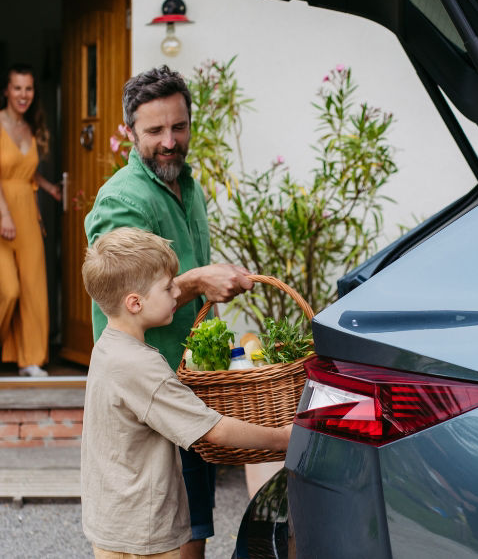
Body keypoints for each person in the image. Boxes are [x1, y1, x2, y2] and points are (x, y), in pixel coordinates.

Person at [84, 65, 254, 559]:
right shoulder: (122, 199)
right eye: (155, 130)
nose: (169, 141)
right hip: (150, 399)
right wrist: (201, 278)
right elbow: (118, 291)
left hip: (187, 386)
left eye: (178, 127)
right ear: (131, 132)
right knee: (164, 537)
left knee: (193, 530)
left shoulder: (189, 185)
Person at [80, 226, 291, 558]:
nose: (177, 294)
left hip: (114, 521)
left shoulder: (108, 347)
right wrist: (285, 438)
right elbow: (214, 430)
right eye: (167, 288)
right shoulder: (140, 366)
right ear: (134, 303)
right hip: (141, 532)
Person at [0, 63, 61, 377]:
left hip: (28, 212)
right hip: (3, 213)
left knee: (34, 287)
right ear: (7, 90)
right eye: (18, 88)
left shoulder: (29, 127)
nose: (23, 94)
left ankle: (30, 359)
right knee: (7, 289)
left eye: (29, 88)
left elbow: (26, 168)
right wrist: (4, 213)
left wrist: (50, 188)